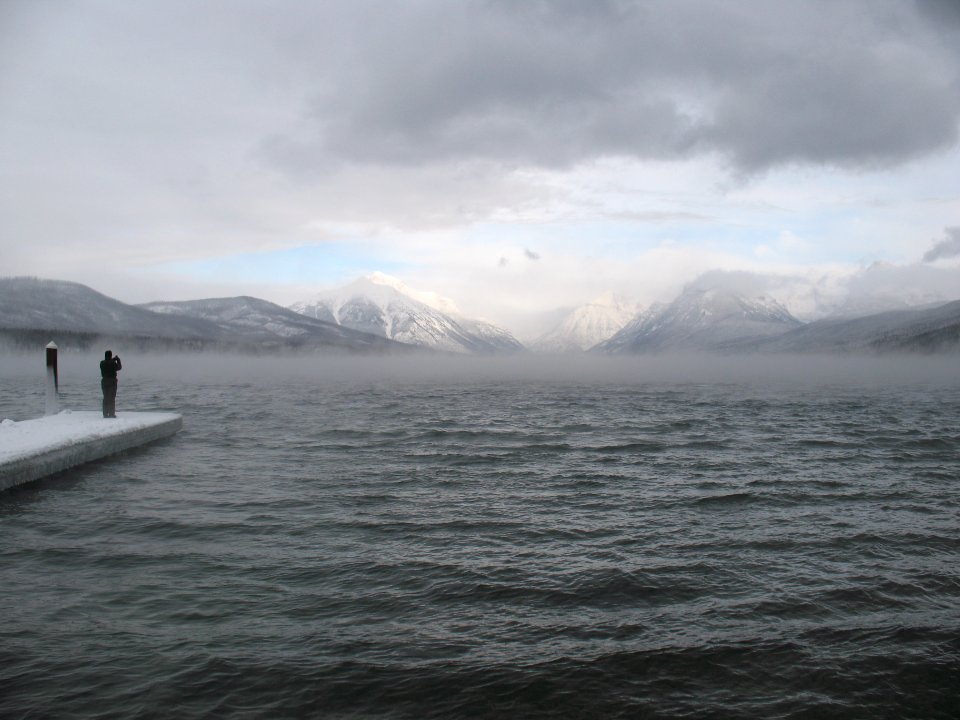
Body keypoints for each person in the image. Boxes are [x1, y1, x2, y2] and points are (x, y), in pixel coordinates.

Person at [100, 350, 122, 418]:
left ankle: (105, 414)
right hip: (112, 382)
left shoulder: (101, 363)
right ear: (111, 355)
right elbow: (119, 367)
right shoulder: (113, 363)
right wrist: (118, 360)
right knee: (112, 397)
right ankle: (111, 413)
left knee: (105, 397)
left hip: (104, 381)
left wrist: (113, 359)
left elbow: (107, 362)